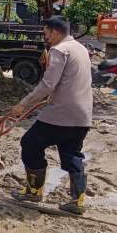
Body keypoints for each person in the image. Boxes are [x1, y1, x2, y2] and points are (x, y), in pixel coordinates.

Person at [9, 16, 92, 215]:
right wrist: (48, 99)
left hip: (62, 114)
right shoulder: (81, 49)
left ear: (55, 32)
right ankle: (78, 200)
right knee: (72, 153)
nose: (45, 38)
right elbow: (69, 81)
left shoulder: (59, 50)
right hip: (83, 115)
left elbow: (48, 84)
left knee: (30, 143)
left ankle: (34, 191)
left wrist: (23, 103)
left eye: (46, 33)